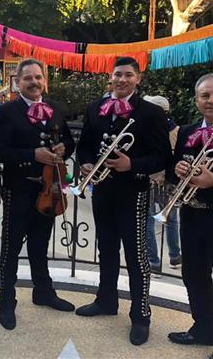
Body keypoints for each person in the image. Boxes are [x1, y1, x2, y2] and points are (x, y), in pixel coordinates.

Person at [75, 56, 170, 346]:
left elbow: (163, 156)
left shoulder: (151, 113)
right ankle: (106, 300)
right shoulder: (96, 109)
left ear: (138, 79)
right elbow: (84, 149)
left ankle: (141, 315)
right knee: (106, 250)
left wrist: (133, 164)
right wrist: (87, 165)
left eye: (128, 75)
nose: (122, 80)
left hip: (134, 194)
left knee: (136, 256)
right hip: (103, 193)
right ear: (110, 77)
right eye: (117, 75)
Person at [0, 58, 75, 330]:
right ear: (17, 81)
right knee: (11, 248)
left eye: (38, 77)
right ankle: (6, 300)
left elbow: (69, 141)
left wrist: (64, 148)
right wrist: (31, 154)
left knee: (40, 244)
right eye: (28, 78)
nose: (34, 82)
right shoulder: (6, 111)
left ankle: (43, 292)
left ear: (44, 80)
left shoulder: (55, 109)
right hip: (19, 188)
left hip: (48, 190)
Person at [167, 73, 213, 347]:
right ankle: (204, 329)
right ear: (196, 100)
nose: (210, 101)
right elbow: (173, 172)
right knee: (193, 274)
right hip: (192, 215)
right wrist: (177, 169)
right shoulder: (186, 131)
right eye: (205, 95)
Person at [143, 95, 181, 275]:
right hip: (170, 181)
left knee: (148, 220)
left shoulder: (149, 128)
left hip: (151, 179)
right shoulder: (178, 130)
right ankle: (175, 255)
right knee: (172, 220)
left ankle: (153, 261)